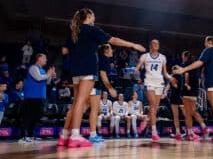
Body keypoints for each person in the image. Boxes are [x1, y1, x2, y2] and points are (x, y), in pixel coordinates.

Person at [58, 8, 145, 148]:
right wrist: (133, 45)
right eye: (94, 16)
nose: (95, 18)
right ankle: (75, 135)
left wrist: (80, 49)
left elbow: (64, 50)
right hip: (88, 68)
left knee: (76, 102)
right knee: (81, 101)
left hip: (75, 70)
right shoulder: (92, 30)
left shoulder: (74, 31)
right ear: (89, 16)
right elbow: (114, 40)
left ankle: (64, 136)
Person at [134, 39, 177, 141]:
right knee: (153, 105)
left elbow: (165, 73)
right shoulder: (145, 56)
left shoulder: (162, 57)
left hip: (160, 83)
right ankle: (154, 132)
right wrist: (137, 77)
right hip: (148, 82)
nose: (156, 45)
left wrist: (171, 78)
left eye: (158, 43)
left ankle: (146, 119)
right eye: (154, 43)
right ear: (150, 45)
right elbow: (137, 69)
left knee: (155, 108)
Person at [19, 54, 55, 143]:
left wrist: (51, 76)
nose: (46, 60)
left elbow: (47, 82)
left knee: (36, 117)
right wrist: (48, 74)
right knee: (29, 116)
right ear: (39, 59)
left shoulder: (42, 70)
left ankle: (31, 135)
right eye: (44, 58)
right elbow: (38, 78)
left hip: (40, 97)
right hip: (32, 96)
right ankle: (24, 136)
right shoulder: (33, 68)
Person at [179, 51, 209, 141]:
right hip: (195, 91)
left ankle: (190, 133)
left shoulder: (185, 65)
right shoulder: (196, 66)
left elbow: (186, 75)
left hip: (187, 90)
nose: (182, 58)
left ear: (185, 57)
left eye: (182, 56)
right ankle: (204, 127)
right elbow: (199, 80)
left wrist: (187, 84)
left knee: (188, 113)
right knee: (193, 111)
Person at [168, 71, 186, 141]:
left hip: (178, 97)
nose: (173, 71)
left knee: (181, 116)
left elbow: (174, 85)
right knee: (179, 116)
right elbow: (171, 86)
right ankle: (179, 133)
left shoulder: (178, 77)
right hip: (177, 97)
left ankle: (180, 133)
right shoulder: (180, 77)